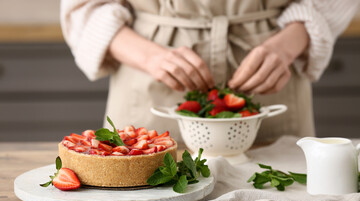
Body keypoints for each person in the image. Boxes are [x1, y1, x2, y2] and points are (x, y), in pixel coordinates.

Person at [60, 0, 358, 143]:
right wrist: (152, 58)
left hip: (274, 84)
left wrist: (287, 46)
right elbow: (84, 9)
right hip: (149, 89)